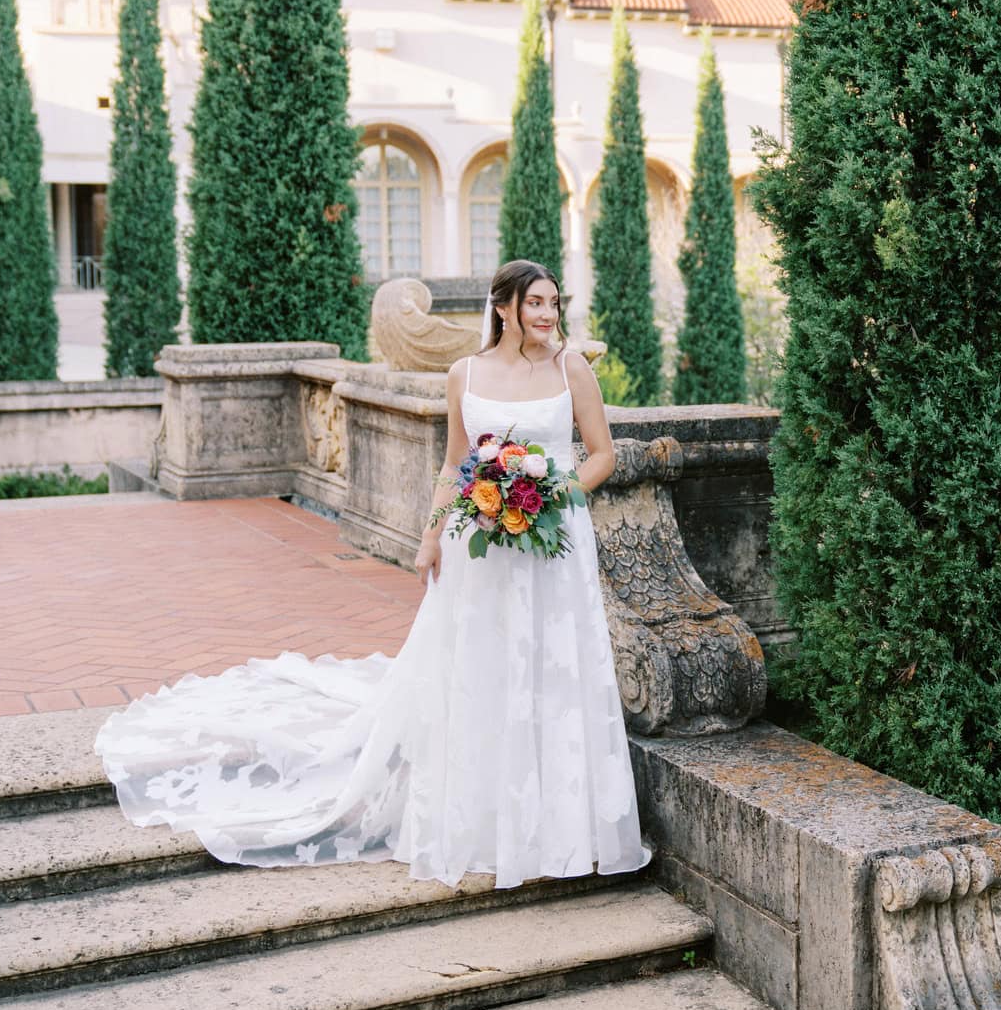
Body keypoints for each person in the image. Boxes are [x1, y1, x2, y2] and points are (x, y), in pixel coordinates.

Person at [95, 260, 651, 888]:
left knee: (552, 665)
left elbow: (601, 455)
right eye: (535, 304)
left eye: (553, 303)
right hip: (482, 540)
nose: (547, 316)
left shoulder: (570, 367)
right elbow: (454, 464)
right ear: (503, 308)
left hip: (554, 540)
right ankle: (486, 814)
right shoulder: (463, 374)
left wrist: (550, 495)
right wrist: (431, 534)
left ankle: (558, 823)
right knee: (483, 666)